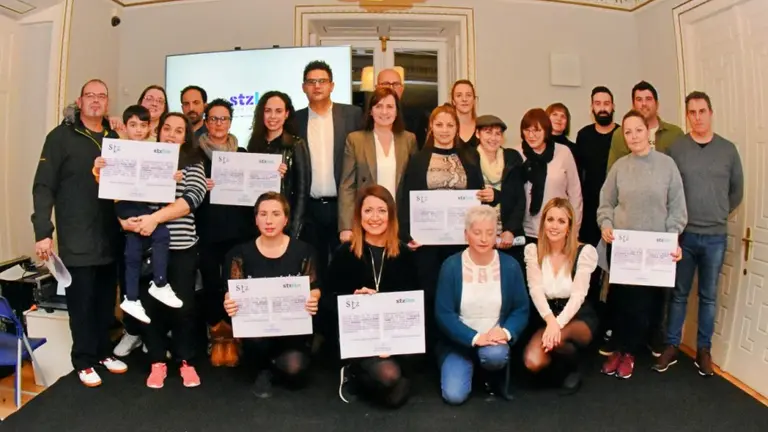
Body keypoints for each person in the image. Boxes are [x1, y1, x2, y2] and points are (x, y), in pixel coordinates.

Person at [32, 78, 127, 387]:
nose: (96, 101)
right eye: (90, 96)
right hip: (77, 236)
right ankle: (83, 359)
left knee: (103, 300)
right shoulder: (60, 137)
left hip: (110, 234)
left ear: (107, 103)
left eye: (102, 96)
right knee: (81, 302)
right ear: (80, 100)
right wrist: (43, 231)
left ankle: (103, 352)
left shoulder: (115, 137)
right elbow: (43, 186)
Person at [655, 91, 744, 376]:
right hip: (684, 236)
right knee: (678, 294)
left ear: (710, 112)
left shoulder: (728, 150)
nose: (697, 117)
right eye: (691, 112)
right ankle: (671, 345)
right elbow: (668, 189)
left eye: (702, 111)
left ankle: (703, 350)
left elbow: (736, 191)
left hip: (715, 236)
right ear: (687, 115)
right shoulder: (677, 149)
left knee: (708, 296)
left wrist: (717, 212)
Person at [397, 104, 496, 351]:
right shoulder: (418, 160)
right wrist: (408, 235)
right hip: (426, 244)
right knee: (429, 294)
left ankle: (460, 345)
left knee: (459, 294)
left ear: (457, 127)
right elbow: (406, 198)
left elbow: (478, 202)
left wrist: (489, 197)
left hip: (461, 242)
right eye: (439, 124)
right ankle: (430, 351)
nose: (444, 130)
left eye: (450, 125)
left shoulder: (470, 158)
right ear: (431, 127)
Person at [597, 109, 687, 379]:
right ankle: (621, 350)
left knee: (645, 306)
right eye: (628, 132)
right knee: (623, 303)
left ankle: (630, 353)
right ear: (623, 137)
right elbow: (606, 203)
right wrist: (606, 225)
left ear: (648, 131)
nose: (633, 135)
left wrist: (672, 237)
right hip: (625, 249)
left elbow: (677, 208)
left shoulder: (666, 166)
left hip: (656, 251)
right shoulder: (619, 167)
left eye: (638, 129)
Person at [129, 112, 207, 389]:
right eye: (167, 129)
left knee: (184, 308)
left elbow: (192, 199)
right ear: (158, 131)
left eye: (178, 130)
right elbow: (130, 196)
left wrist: (155, 217)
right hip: (147, 246)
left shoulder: (193, 161)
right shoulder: (143, 158)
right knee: (149, 307)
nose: (172, 134)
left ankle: (186, 361)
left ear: (186, 136)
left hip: (182, 247)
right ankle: (158, 361)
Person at [223, 192, 320, 398]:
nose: (269, 220)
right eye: (263, 214)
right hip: (257, 333)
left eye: (276, 214)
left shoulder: (304, 251)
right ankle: (262, 367)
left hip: (292, 331)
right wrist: (228, 303)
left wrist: (314, 299)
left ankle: (274, 363)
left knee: (295, 371)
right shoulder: (238, 253)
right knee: (257, 342)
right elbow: (231, 292)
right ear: (255, 219)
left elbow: (315, 287)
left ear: (286, 219)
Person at [93, 105, 184, 324]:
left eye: (143, 126)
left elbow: (161, 181)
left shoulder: (155, 150)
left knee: (134, 249)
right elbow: (99, 178)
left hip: (140, 203)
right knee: (161, 234)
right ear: (125, 127)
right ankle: (159, 283)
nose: (138, 130)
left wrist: (173, 177)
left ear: (149, 127)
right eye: (133, 125)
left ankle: (131, 298)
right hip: (124, 203)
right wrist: (97, 168)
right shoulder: (116, 149)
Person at [330, 185, 419, 408]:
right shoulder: (345, 253)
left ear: (391, 215)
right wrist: (353, 299)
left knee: (394, 396)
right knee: (389, 377)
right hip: (360, 338)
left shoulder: (405, 254)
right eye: (368, 210)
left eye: (381, 210)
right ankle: (353, 370)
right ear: (359, 214)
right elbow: (327, 301)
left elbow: (417, 303)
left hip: (396, 339)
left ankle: (363, 380)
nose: (375, 218)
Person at [435, 205, 530, 405]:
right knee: (454, 396)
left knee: (495, 356)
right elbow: (443, 314)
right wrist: (475, 338)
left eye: (489, 233)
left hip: (494, 342)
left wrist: (506, 332)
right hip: (458, 343)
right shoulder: (451, 266)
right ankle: (472, 369)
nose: (484, 239)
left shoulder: (510, 266)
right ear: (466, 235)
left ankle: (489, 371)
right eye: (477, 233)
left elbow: (521, 308)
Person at [196, 98, 256, 367]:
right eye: (214, 119)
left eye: (224, 119)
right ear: (206, 122)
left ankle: (238, 334)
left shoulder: (243, 153)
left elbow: (258, 188)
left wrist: (275, 173)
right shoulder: (194, 155)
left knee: (237, 285)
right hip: (207, 231)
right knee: (211, 284)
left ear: (231, 122)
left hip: (239, 231)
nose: (219, 123)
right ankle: (215, 333)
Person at [294, 60, 363, 284]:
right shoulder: (295, 120)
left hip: (344, 207)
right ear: (304, 87)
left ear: (332, 85)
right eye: (311, 82)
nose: (317, 86)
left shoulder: (352, 115)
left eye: (322, 81)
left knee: (348, 269)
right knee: (314, 272)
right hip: (310, 210)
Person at [523, 198, 598, 394]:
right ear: (543, 223)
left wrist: (557, 325)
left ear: (569, 226)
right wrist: (550, 321)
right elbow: (536, 290)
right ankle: (563, 362)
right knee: (533, 361)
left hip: (578, 315)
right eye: (550, 219)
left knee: (558, 336)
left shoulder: (584, 252)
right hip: (547, 314)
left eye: (561, 221)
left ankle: (576, 367)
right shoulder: (533, 251)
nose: (554, 226)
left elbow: (579, 295)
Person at [338, 87, 417, 240]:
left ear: (396, 111)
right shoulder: (355, 140)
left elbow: (413, 184)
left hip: (397, 219)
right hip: (367, 218)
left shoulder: (409, 140)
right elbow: (347, 186)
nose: (384, 112)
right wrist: (346, 227)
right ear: (370, 111)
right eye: (378, 106)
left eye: (389, 107)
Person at [247, 91, 310, 239]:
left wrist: (294, 228)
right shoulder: (255, 144)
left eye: (278, 111)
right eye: (268, 111)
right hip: (257, 223)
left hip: (285, 224)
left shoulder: (296, 144)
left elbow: (302, 192)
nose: (273, 116)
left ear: (286, 114)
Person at [519, 108, 582, 247]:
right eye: (527, 130)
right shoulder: (517, 154)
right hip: (526, 231)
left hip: (558, 230)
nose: (531, 135)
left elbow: (575, 193)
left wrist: (574, 231)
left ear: (546, 131)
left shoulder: (563, 152)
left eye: (537, 130)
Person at [473, 115, 525, 256]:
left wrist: (510, 230)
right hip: (477, 234)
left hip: (507, 236)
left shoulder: (512, 158)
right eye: (488, 132)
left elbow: (520, 199)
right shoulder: (468, 159)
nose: (493, 138)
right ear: (477, 134)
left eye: (498, 133)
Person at [606, 81, 684, 172]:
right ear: (633, 105)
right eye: (639, 99)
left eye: (648, 99)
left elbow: (683, 171)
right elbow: (612, 173)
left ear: (657, 104)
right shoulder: (620, 134)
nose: (644, 104)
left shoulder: (675, 134)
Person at [452, 80, 478, 148]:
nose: (464, 99)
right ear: (453, 101)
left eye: (468, 95)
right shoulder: (446, 129)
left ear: (474, 100)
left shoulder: (482, 128)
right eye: (459, 95)